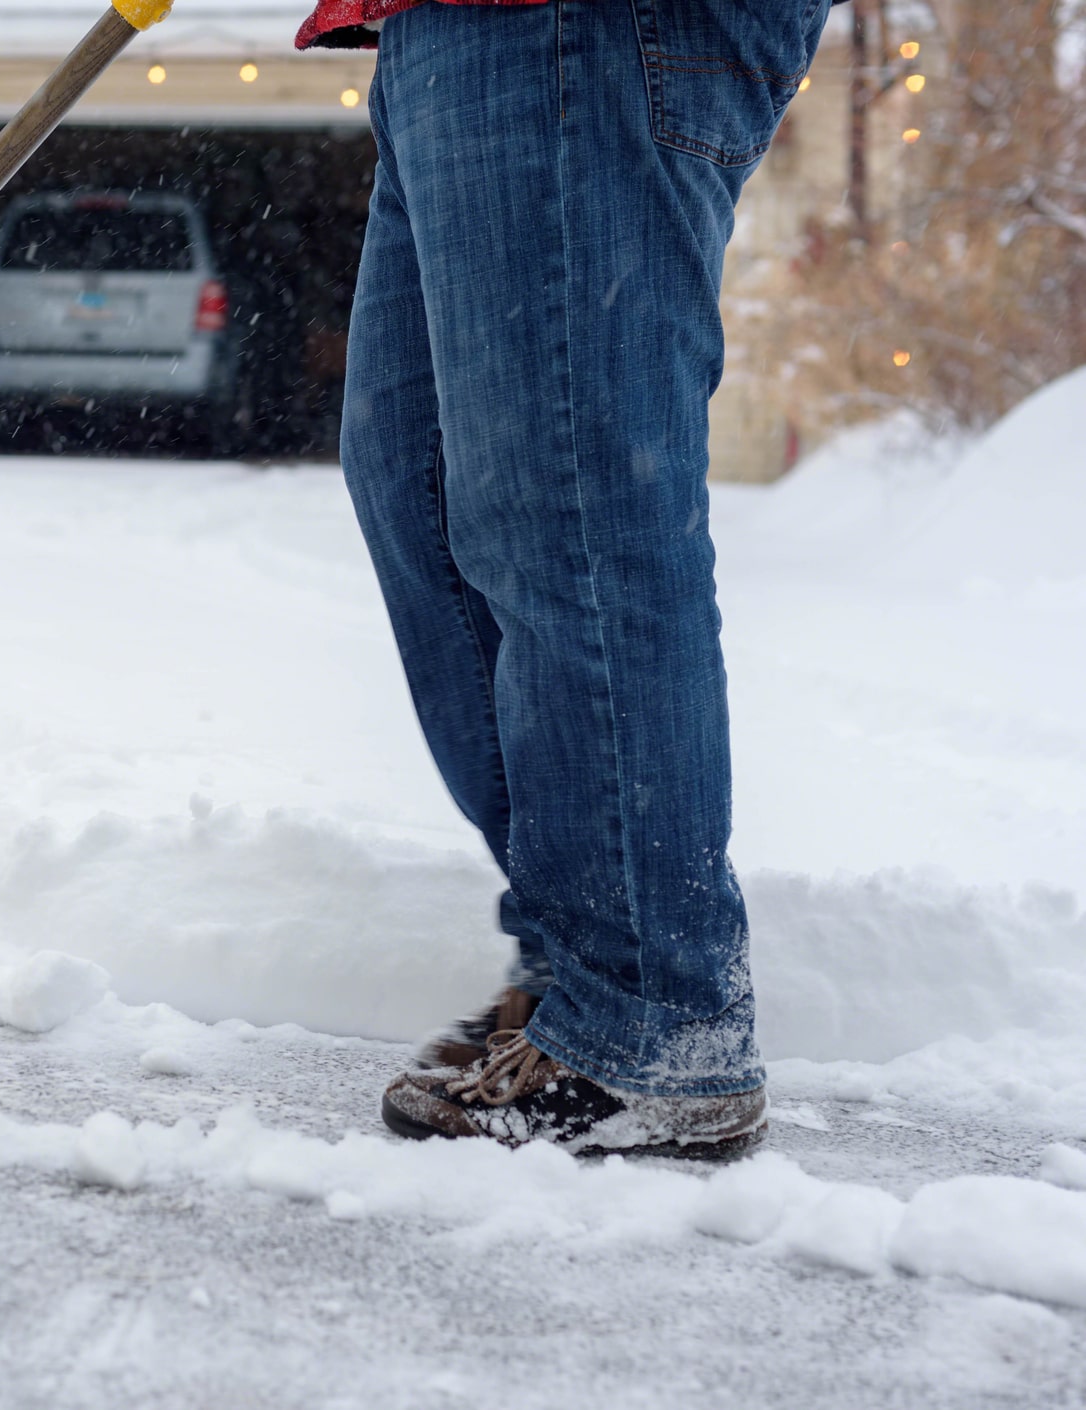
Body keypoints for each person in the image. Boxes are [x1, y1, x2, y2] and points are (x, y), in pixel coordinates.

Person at [301, 0, 836, 1156]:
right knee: (423, 488)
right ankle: (575, 960)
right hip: (436, 26)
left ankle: (651, 1010)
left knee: (570, 507)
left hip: (577, 20)